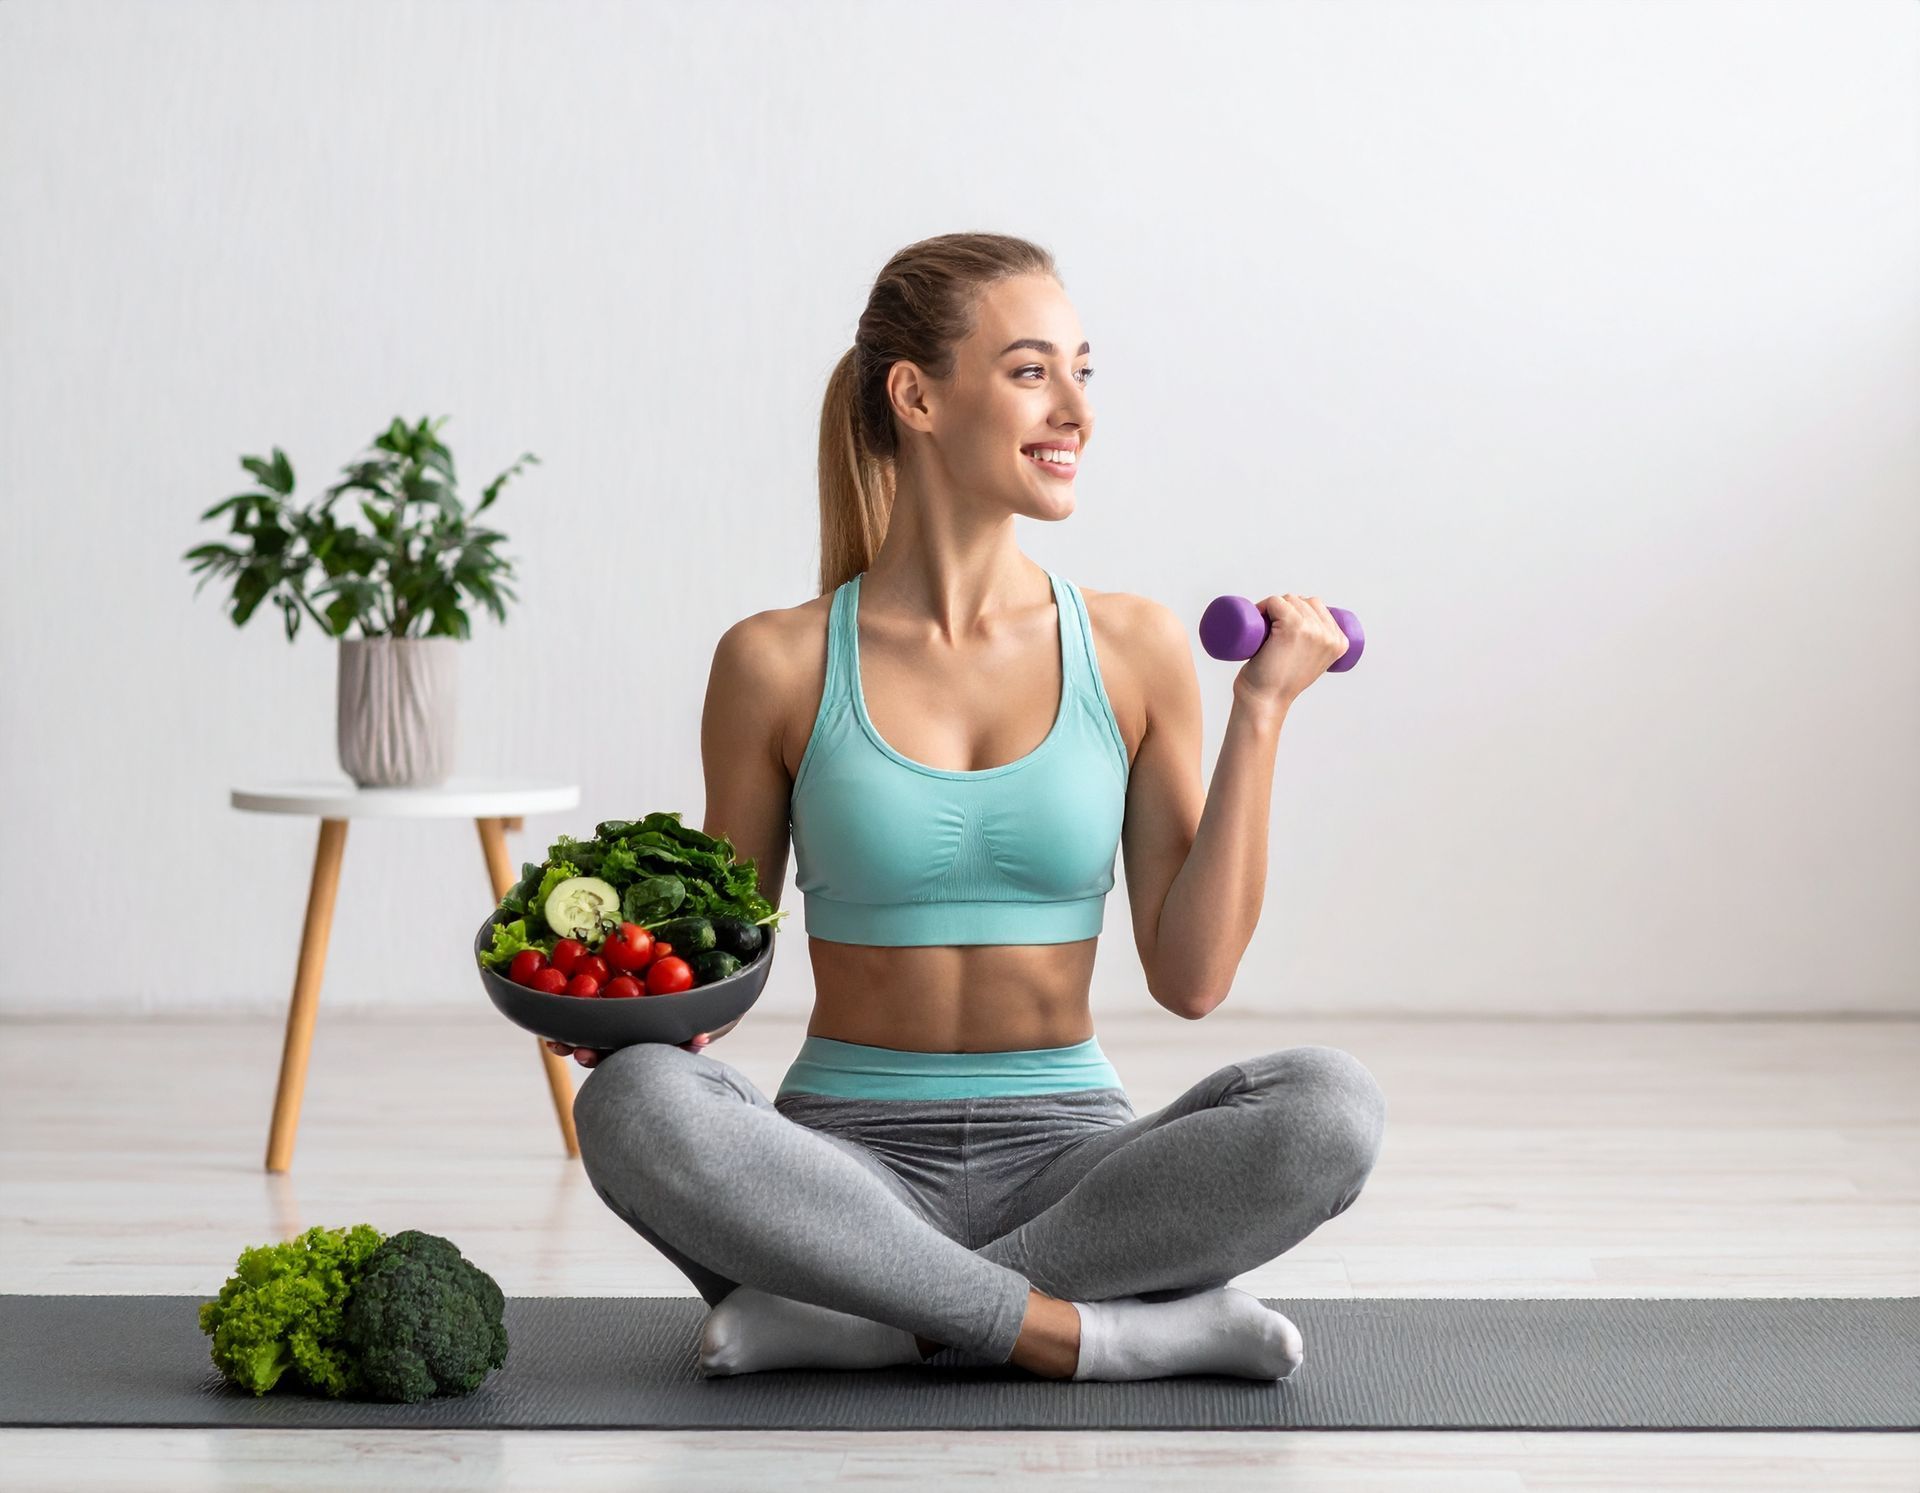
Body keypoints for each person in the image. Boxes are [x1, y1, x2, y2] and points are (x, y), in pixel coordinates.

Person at [548, 232, 1386, 1382]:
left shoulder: (1131, 645)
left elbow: (1191, 980)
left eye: (1085, 371)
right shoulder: (776, 662)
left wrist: (1263, 712)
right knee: (630, 1102)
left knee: (1330, 1107)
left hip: (1074, 1160)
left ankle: (878, 1316)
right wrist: (610, 1005)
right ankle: (1084, 1332)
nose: (1077, 411)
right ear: (918, 395)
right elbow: (715, 973)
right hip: (840, 1164)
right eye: (1034, 370)